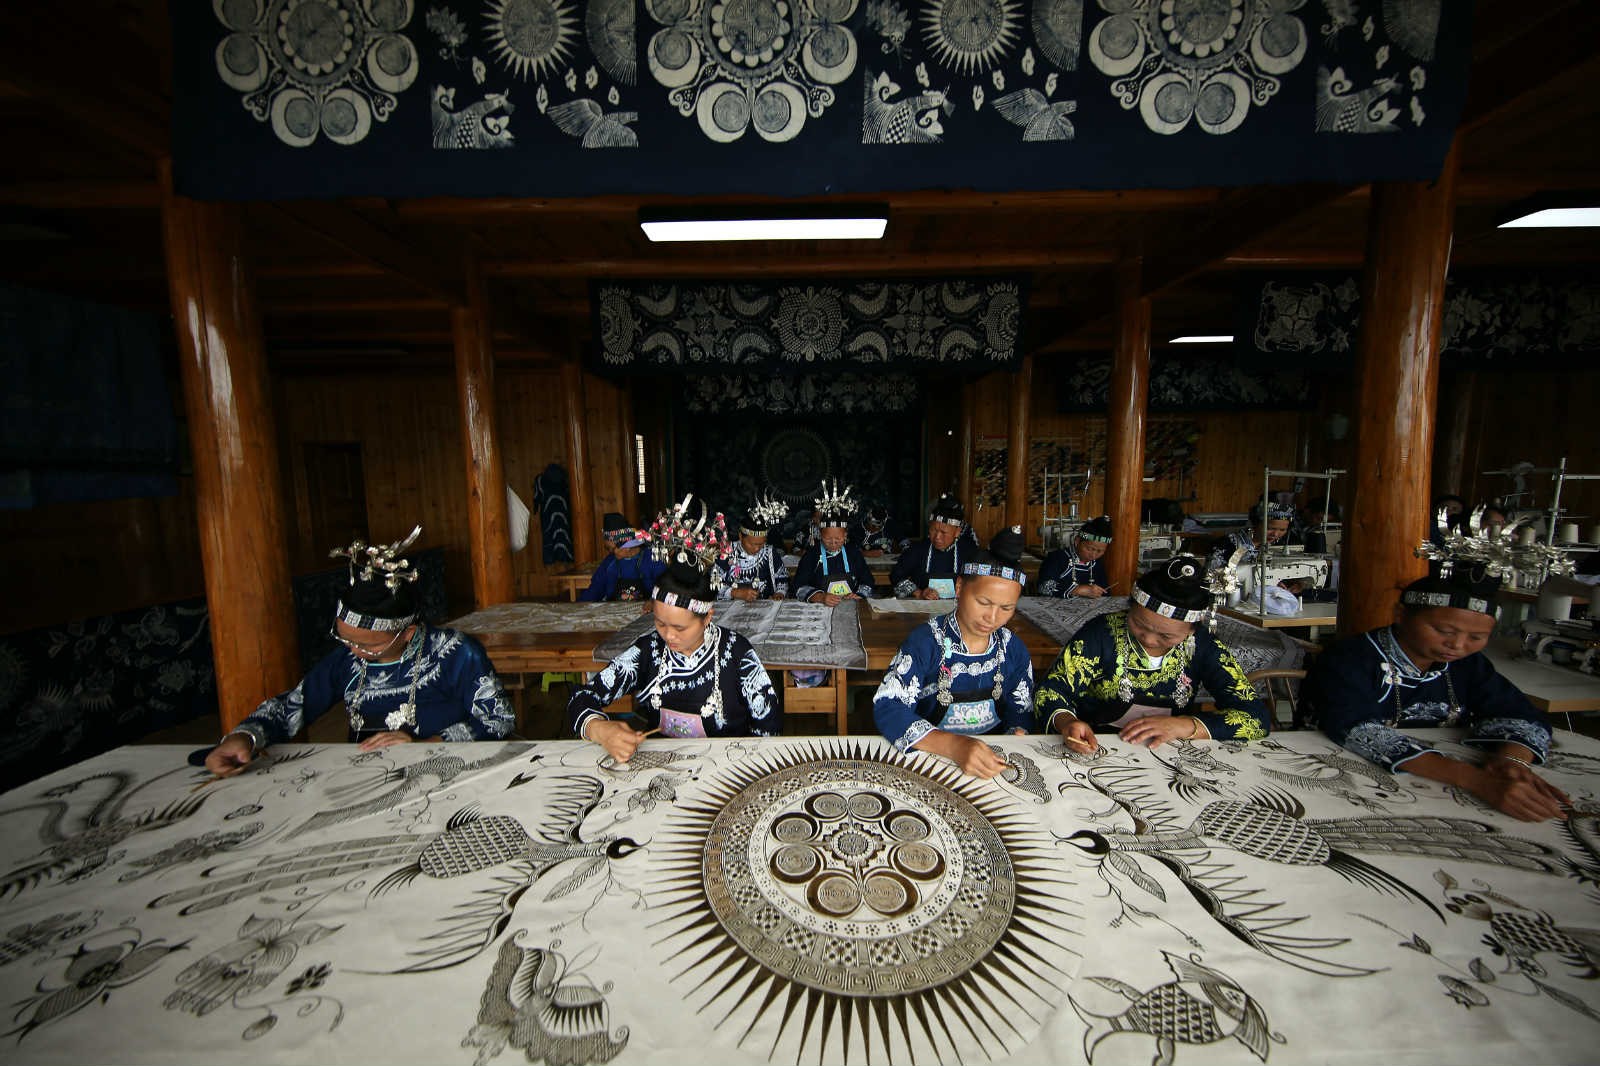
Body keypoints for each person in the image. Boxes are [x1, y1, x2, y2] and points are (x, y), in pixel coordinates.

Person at [204, 526, 513, 774]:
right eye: (346, 640)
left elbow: (497, 719)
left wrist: (428, 745)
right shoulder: (347, 660)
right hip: (370, 772)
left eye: (368, 645)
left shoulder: (455, 653)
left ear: (408, 633)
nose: (355, 651)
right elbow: (294, 706)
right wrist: (245, 736)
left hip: (449, 769)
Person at [1301, 554, 1567, 823]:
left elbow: (1517, 712)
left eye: (1476, 637)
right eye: (1444, 631)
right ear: (1400, 614)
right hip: (1344, 780)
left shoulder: (1468, 665)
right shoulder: (1350, 658)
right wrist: (1478, 781)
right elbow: (1357, 728)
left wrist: (1512, 762)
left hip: (1432, 783)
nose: (1457, 645)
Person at [570, 495, 781, 762]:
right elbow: (582, 696)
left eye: (680, 628)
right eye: (660, 623)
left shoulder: (737, 653)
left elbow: (768, 726)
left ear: (707, 618)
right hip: (659, 765)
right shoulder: (649, 650)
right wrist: (599, 729)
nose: (668, 635)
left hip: (730, 765)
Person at [1036, 554, 1270, 750]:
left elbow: (1255, 718)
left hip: (1169, 748)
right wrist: (1067, 722)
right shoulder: (1101, 633)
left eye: (1165, 636)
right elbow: (1051, 691)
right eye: (1138, 624)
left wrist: (1185, 726)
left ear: (1192, 629)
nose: (1148, 639)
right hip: (1096, 743)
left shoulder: (1203, 646)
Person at [874, 527, 1035, 778]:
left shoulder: (1012, 648)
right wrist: (955, 746)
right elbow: (889, 707)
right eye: (983, 602)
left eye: (1006, 608)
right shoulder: (926, 642)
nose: (992, 617)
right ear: (959, 587)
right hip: (930, 759)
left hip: (989, 764)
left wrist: (1017, 732)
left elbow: (1022, 710)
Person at [792, 480, 876, 605]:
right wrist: (820, 597)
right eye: (828, 539)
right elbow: (799, 586)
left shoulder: (853, 553)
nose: (833, 543)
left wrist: (858, 595)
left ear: (845, 535)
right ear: (820, 535)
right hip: (820, 607)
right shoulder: (812, 555)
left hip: (850, 605)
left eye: (838, 539)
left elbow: (868, 582)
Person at [891, 494, 972, 600]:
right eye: (933, 530)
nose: (937, 537)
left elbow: (978, 582)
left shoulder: (968, 551)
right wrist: (919, 593)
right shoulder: (917, 550)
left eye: (943, 532)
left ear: (957, 532)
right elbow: (895, 576)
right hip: (922, 606)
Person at [716, 492, 790, 601]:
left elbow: (782, 579)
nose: (756, 549)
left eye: (761, 544)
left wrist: (780, 593)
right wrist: (734, 592)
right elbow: (714, 584)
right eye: (752, 544)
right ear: (741, 536)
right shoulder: (726, 553)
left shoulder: (769, 553)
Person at [578, 514, 666, 602]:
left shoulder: (653, 560)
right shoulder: (609, 563)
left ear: (627, 545)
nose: (610, 552)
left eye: (611, 549)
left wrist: (653, 603)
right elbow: (594, 590)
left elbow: (664, 591)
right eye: (608, 549)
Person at [1037, 515, 1112, 598]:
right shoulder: (1057, 558)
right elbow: (1043, 588)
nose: (1093, 555)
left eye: (1099, 551)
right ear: (1077, 541)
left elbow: (1105, 593)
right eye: (1089, 549)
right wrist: (1076, 590)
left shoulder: (1097, 564)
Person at [1210, 502, 1293, 570]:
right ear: (1255, 524)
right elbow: (1213, 574)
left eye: (1282, 530)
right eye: (1270, 528)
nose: (1275, 534)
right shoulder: (1227, 544)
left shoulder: (1277, 545)